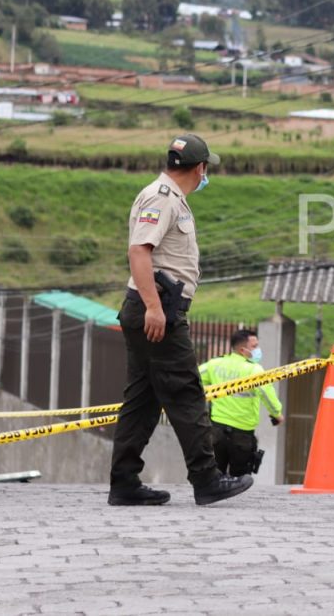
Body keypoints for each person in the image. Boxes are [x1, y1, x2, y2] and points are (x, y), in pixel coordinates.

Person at [108, 133, 254, 507]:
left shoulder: (172, 199)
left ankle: (124, 481)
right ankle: (206, 479)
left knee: (142, 400)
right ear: (200, 167)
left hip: (152, 308)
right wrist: (155, 308)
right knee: (187, 392)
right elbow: (139, 252)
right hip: (156, 311)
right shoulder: (162, 198)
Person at [201, 330, 284, 477]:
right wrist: (277, 414)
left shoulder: (215, 364)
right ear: (242, 350)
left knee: (215, 476)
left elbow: (194, 378)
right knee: (241, 478)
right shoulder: (254, 369)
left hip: (217, 431)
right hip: (242, 434)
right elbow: (267, 394)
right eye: (254, 346)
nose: (258, 350)